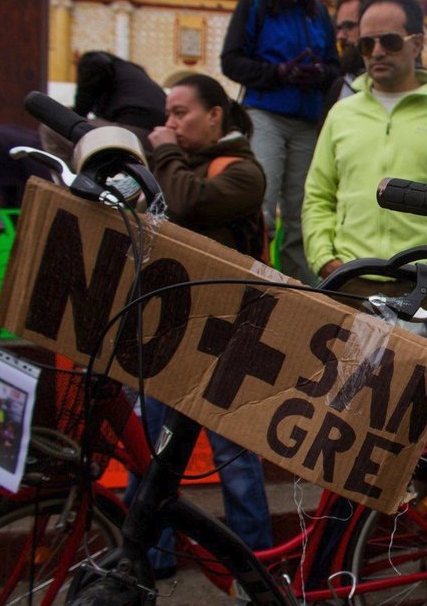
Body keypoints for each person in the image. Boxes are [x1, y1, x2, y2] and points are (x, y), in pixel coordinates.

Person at [137, 73, 272, 577]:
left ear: (215, 115)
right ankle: (148, 558)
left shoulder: (242, 172)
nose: (168, 124)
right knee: (150, 452)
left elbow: (188, 202)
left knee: (233, 461)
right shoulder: (175, 167)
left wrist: (164, 153)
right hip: (167, 331)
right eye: (167, 115)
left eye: (180, 113)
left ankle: (253, 568)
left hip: (222, 338)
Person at [301, 0, 427, 288]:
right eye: (366, 43)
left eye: (389, 41)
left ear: (417, 44)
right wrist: (324, 261)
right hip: (348, 280)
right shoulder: (340, 114)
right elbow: (317, 197)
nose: (376, 52)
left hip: (425, 284)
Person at [220, 0, 339, 286]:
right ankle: (245, 282)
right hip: (265, 115)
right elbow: (230, 61)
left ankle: (301, 295)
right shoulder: (254, 2)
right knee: (262, 204)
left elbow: (335, 66)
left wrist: (319, 74)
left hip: (306, 123)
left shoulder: (317, 11)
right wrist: (278, 73)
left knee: (303, 216)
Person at [40, 51, 168, 165]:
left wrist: (75, 112)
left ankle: (69, 186)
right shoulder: (130, 71)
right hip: (157, 137)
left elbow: (83, 104)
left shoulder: (94, 60)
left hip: (128, 132)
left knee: (51, 127)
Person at [323, 0, 369, 112]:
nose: (340, 36)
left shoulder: (391, 88)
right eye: (339, 28)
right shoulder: (337, 88)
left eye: (349, 26)